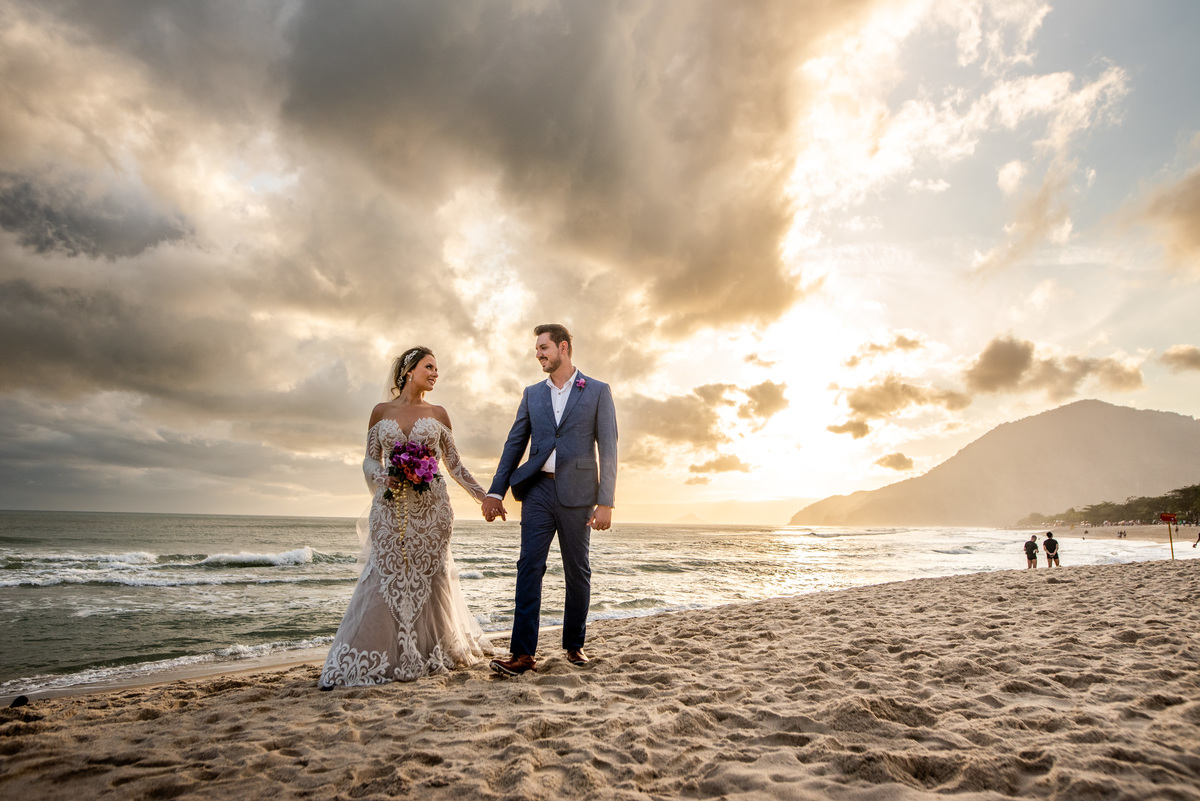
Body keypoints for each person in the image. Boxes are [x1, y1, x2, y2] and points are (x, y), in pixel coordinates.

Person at [318, 347, 491, 688]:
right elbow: (370, 459)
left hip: (432, 511)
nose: (435, 373)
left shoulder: (439, 414)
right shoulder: (381, 412)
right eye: (429, 367)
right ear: (409, 370)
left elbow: (454, 465)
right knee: (383, 575)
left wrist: (485, 497)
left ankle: (431, 652)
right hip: (390, 507)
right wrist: (380, 476)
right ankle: (375, 655)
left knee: (432, 577)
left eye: (437, 369)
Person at [483, 324, 618, 675]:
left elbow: (609, 449)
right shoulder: (532, 394)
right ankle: (523, 654)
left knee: (578, 571)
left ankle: (574, 645)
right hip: (538, 490)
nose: (539, 354)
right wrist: (496, 491)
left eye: (543, 347)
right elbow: (515, 443)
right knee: (529, 566)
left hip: (579, 493)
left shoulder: (598, 391)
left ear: (563, 347)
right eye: (537, 349)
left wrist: (606, 502)